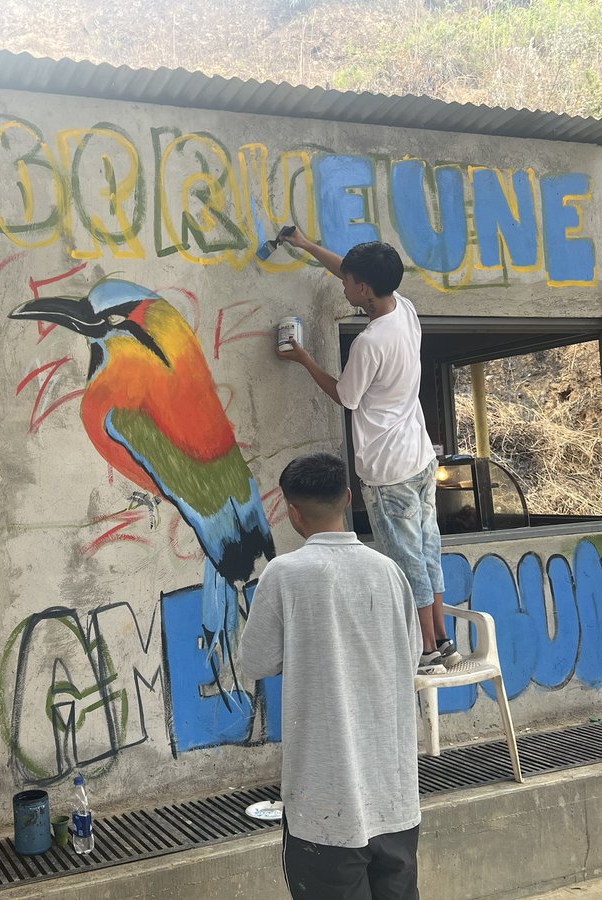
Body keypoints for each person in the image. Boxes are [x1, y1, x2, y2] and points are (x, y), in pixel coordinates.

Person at [239, 452, 422, 900]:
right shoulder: (390, 571)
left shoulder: (284, 574)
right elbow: (411, 653)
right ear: (347, 497)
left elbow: (255, 662)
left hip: (324, 806)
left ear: (292, 512)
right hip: (396, 800)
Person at [278, 233, 459, 675]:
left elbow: (345, 396)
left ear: (363, 291)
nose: (342, 286)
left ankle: (426, 651)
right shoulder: (406, 310)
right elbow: (349, 268)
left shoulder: (370, 342)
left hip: (388, 468)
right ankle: (442, 639)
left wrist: (303, 358)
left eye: (349, 282)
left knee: (405, 558)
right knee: (427, 548)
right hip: (418, 457)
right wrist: (304, 245)